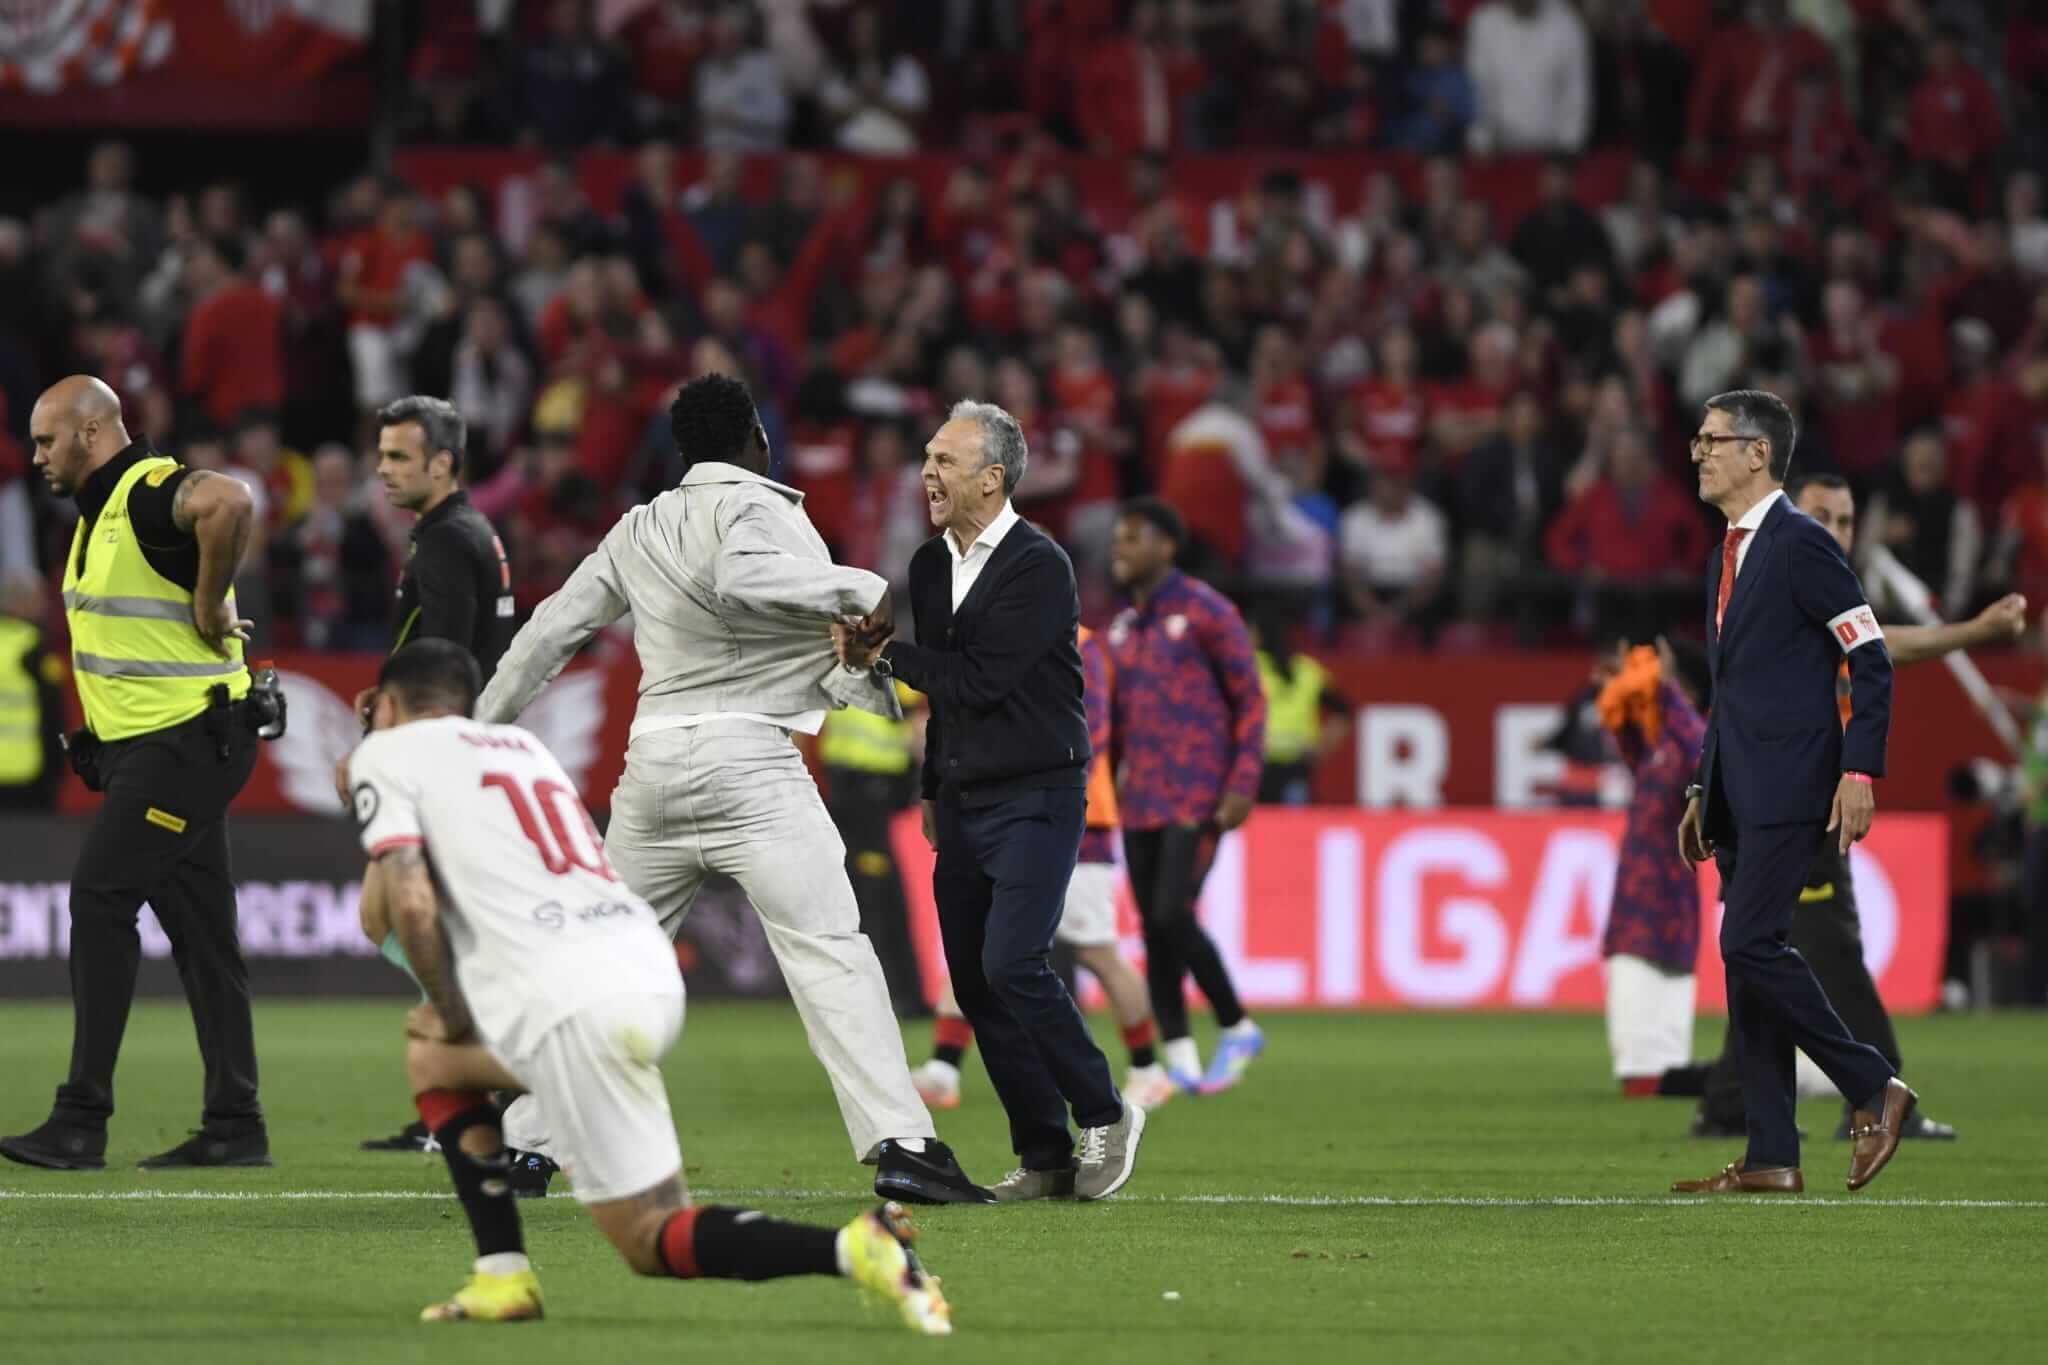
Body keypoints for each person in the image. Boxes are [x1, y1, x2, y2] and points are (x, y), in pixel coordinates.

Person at [474, 373, 984, 1206]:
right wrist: (860, 589)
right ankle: (904, 1142)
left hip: (652, 770)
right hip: (749, 762)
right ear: (756, 437)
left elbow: (551, 631)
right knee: (830, 950)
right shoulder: (757, 508)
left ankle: (529, 1142)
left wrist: (477, 725)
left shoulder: (637, 527)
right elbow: (743, 573)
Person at [344, 641, 949, 1332]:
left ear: (386, 706)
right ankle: (858, 1248)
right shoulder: (521, 748)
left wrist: (451, 1010)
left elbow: (403, 904)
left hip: (569, 995)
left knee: (433, 1052)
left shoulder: (388, 752)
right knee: (654, 1235)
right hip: (644, 974)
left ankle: (502, 1275)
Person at [833, 400, 1146, 1202]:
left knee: (1014, 960)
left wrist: (882, 653)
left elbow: (982, 679)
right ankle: (1045, 1154)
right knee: (974, 980)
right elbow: (950, 700)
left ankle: (1107, 1111)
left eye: (945, 460)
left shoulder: (1039, 565)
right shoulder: (929, 566)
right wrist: (933, 786)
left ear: (992, 477)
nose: (927, 472)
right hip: (967, 794)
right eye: (927, 458)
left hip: (1041, 787)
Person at [1690, 472, 2022, 1140]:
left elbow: (1875, 644)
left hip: (1780, 792)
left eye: (1845, 521)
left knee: (1760, 945)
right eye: (1822, 515)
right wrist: (1974, 630)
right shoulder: (1786, 573)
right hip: (1784, 795)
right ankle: (1877, 1093)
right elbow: (1880, 647)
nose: (1836, 533)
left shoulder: (1793, 579)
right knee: (1823, 946)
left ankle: (1732, 1098)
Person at [2, 376, 271, 1172]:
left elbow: (230, 499)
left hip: (184, 744)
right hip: (165, 747)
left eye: (46, 440)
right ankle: (236, 1123)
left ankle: (80, 1119)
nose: (37, 456)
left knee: (99, 898)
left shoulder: (148, 492)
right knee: (204, 935)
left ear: (91, 432)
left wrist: (211, 601)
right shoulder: (98, 518)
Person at [1672, 389, 1914, 1196]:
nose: (1699, 452)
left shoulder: (1802, 543)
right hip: (1737, 791)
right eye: (1699, 439)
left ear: (1757, 452)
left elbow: (1870, 657)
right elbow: (1730, 691)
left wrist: (1859, 770)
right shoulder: (1729, 552)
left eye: (1713, 440)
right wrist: (1701, 786)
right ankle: (1772, 1153)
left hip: (1791, 785)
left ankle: (1873, 1084)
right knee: (1748, 966)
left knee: (1749, 944)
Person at [911, 623, 1174, 1113]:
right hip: (1002, 812)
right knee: (976, 940)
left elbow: (1091, 728)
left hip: (1076, 820)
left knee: (1096, 950)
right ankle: (944, 1068)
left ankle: (1148, 1069)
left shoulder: (1079, 641)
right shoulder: (997, 639)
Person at [356, 395, 519, 1161]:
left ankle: (485, 1081)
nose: (382, 469)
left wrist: (396, 736)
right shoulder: (460, 532)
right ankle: (469, 1090)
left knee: (398, 920)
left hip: (443, 766)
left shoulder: (448, 541)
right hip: (462, 756)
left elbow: (449, 666)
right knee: (391, 919)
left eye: (398, 456)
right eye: (382, 453)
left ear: (443, 463)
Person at [1104, 498, 1268, 1094]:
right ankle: (1178, 1061)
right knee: (1153, 927)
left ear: (1167, 546)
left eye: (1134, 538)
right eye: (1118, 538)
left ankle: (1236, 1024)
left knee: (1171, 911)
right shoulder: (1123, 629)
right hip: (1139, 799)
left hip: (1197, 794)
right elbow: (1114, 723)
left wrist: (1243, 783)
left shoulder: (1207, 611)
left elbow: (1250, 699)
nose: (1120, 548)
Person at [1595, 636, 1712, 1098]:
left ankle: (1716, 1082)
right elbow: (1629, 745)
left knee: (1647, 1070)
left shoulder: (1697, 742)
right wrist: (1621, 690)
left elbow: (1705, 754)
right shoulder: (1659, 747)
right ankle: (1713, 1080)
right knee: (1637, 1067)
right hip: (1634, 904)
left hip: (1667, 902)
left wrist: (1669, 693)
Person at [817, 680, 931, 1016]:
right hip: (859, 792)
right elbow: (917, 729)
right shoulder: (885, 672)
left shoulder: (847, 671)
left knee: (872, 895)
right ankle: (890, 993)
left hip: (865, 792)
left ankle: (890, 993)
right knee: (873, 896)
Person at [1252, 614, 1350, 804]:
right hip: (1297, 764)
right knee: (1296, 819)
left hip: (1259, 764)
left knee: (1256, 820)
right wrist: (1321, 749)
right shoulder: (1308, 669)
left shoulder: (1251, 666)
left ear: (1260, 636)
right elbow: (1343, 712)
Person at [0, 568, 65, 811]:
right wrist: (57, 769)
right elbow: (54, 715)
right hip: (27, 776)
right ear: (22, 602)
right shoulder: (36, 649)